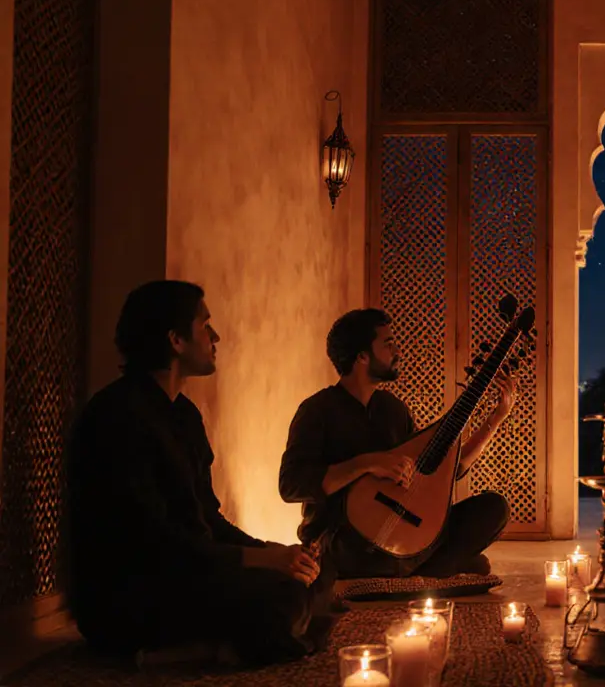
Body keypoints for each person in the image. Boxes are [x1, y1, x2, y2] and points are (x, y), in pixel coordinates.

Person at [66, 281, 331, 667]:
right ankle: (192, 654)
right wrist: (262, 563)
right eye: (205, 325)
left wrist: (274, 552)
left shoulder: (184, 415)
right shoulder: (116, 417)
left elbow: (207, 517)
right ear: (175, 339)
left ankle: (237, 645)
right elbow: (154, 540)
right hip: (136, 591)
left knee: (313, 577)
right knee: (283, 599)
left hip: (193, 572)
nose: (216, 336)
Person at [279, 308, 514, 580]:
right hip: (345, 539)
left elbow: (442, 468)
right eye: (388, 345)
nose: (398, 352)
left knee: (494, 509)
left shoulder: (393, 410)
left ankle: (415, 569)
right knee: (472, 564)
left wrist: (496, 419)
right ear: (362, 357)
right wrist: (366, 464)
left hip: (402, 537)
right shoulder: (317, 410)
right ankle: (430, 568)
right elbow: (290, 485)